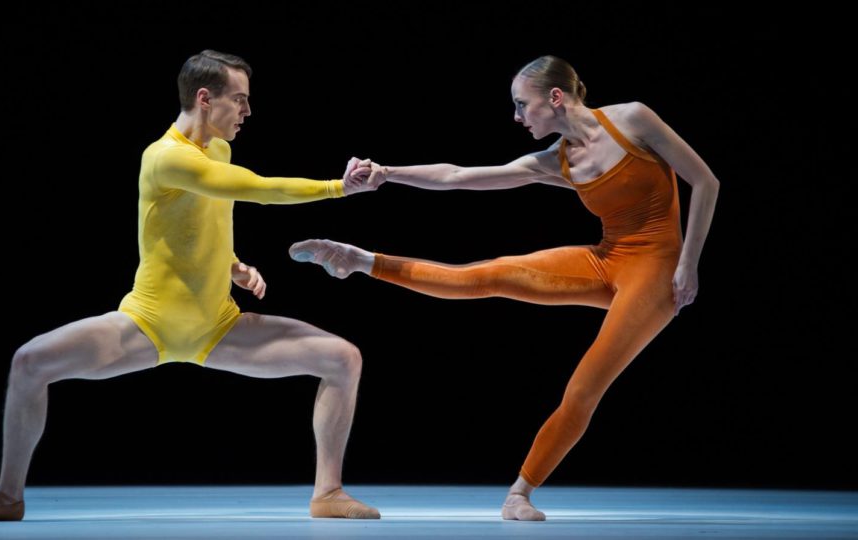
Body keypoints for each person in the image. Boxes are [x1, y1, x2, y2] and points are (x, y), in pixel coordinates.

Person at [0, 49, 382, 523]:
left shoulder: (217, 149)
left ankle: (329, 492)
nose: (247, 111)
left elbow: (203, 217)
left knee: (342, 357)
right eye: (239, 100)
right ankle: (8, 497)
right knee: (29, 362)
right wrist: (338, 188)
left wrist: (233, 266)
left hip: (218, 326)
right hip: (146, 323)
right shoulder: (165, 157)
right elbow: (257, 189)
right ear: (204, 98)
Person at [290, 55, 719, 521]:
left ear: (556, 98)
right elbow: (458, 176)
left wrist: (688, 262)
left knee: (584, 386)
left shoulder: (632, 119)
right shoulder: (556, 160)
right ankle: (359, 261)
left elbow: (705, 181)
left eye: (522, 105)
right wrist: (388, 172)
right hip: (607, 258)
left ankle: (520, 492)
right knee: (489, 273)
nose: (516, 116)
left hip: (657, 273)